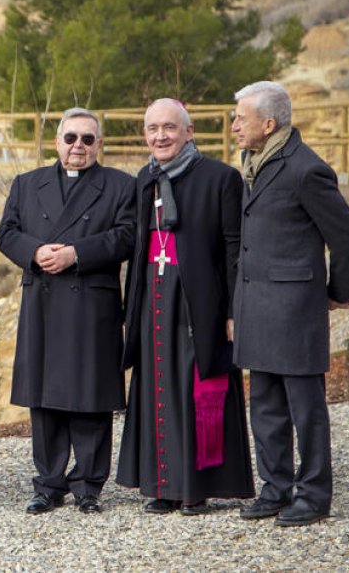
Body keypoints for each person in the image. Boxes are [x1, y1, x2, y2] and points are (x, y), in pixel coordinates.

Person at [230, 81, 349, 527]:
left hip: (293, 308)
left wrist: (338, 292)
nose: (233, 127)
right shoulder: (253, 162)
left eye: (240, 119)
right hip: (256, 305)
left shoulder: (306, 170)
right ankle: (275, 487)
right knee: (264, 404)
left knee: (306, 410)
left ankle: (314, 495)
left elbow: (345, 234)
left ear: (268, 124)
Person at [115, 99, 254, 516]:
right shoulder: (145, 178)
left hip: (199, 303)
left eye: (169, 128)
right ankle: (161, 485)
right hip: (154, 299)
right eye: (153, 129)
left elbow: (234, 250)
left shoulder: (220, 178)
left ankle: (195, 488)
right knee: (157, 390)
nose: (160, 136)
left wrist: (232, 311)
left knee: (194, 390)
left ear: (189, 132)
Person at [0, 108, 135, 515]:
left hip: (92, 301)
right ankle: (48, 484)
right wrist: (34, 252)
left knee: (91, 396)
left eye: (88, 139)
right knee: (46, 396)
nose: (79, 146)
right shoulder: (26, 184)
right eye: (71, 138)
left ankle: (89, 485)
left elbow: (128, 236)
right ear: (57, 141)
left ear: (99, 145)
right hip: (43, 299)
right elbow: (6, 232)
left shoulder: (120, 186)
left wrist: (78, 253)